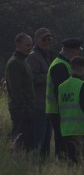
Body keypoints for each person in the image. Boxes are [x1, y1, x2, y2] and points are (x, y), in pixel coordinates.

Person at [46, 37, 83, 159]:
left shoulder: (64, 64)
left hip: (61, 110)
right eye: (78, 51)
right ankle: (63, 162)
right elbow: (60, 92)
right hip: (59, 111)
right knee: (63, 142)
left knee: (65, 140)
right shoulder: (60, 66)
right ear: (72, 51)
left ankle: (64, 161)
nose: (79, 54)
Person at [58, 56, 84, 162]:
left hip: (66, 131)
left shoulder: (61, 87)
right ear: (83, 68)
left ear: (71, 68)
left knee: (71, 164)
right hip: (83, 131)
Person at [4, 33, 36, 151]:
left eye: (31, 45)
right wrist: (24, 108)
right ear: (18, 45)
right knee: (20, 142)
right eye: (27, 45)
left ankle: (23, 160)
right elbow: (16, 89)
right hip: (20, 108)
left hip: (27, 107)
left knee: (27, 142)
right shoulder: (15, 63)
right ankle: (16, 160)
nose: (30, 47)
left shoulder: (23, 61)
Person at [27, 28, 53, 157]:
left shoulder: (46, 55)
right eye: (44, 39)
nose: (47, 41)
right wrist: (49, 76)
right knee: (38, 140)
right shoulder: (33, 56)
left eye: (49, 39)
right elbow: (31, 79)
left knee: (46, 141)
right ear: (36, 40)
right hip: (38, 105)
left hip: (47, 106)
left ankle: (44, 165)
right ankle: (34, 164)